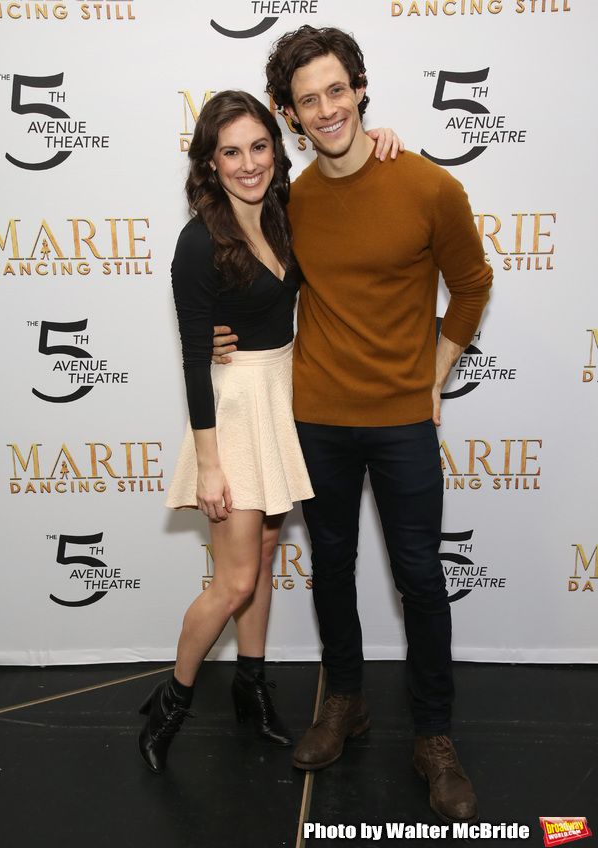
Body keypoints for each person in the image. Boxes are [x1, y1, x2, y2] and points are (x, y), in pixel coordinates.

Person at [213, 26, 492, 824]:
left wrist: (434, 374)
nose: (327, 109)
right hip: (317, 418)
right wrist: (217, 334)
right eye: (308, 100)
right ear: (291, 116)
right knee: (330, 568)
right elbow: (251, 276)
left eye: (337, 90)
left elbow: (472, 284)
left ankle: (434, 737)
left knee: (421, 579)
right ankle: (345, 700)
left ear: (361, 89)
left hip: (401, 420)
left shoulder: (429, 186)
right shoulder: (290, 200)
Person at [137, 89, 402, 775]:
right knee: (234, 581)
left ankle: (251, 691)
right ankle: (171, 703)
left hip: (286, 394)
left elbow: (349, 180)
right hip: (235, 410)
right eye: (231, 152)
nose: (249, 163)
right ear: (210, 162)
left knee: (262, 553)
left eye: (259, 146)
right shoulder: (199, 241)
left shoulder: (285, 212)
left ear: (275, 151)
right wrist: (210, 465)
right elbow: (195, 359)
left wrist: (383, 143)